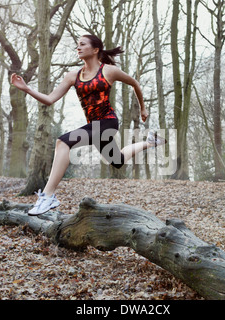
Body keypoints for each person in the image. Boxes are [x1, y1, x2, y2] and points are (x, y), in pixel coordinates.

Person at [11, 34, 166, 216]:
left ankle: (48, 195)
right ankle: (150, 142)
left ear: (95, 49)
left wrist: (143, 109)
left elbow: (135, 83)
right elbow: (50, 99)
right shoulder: (73, 76)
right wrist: (27, 89)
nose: (78, 47)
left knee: (63, 142)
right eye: (77, 45)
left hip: (107, 122)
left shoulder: (108, 71)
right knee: (118, 160)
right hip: (94, 127)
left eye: (82, 44)